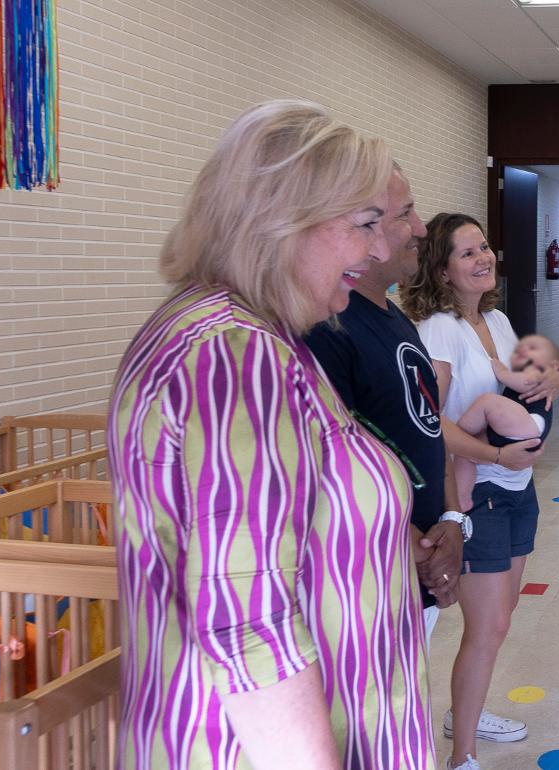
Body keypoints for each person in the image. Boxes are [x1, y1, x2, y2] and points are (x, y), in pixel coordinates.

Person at [107, 101, 435, 769]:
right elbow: (248, 625)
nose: (378, 249)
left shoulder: (234, 334)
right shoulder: (237, 352)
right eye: (363, 225)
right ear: (285, 219)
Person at [402, 213, 559, 770]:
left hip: (516, 487)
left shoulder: (496, 321)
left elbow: (523, 383)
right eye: (467, 252)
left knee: (499, 617)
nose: (483, 258)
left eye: (485, 246)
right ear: (441, 269)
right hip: (477, 492)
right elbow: (427, 424)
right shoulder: (439, 331)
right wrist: (495, 455)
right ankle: (462, 754)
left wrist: (551, 379)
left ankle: (462, 716)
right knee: (489, 624)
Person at [306, 163, 466, 645]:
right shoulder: (328, 327)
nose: (420, 229)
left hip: (419, 559)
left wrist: (453, 521)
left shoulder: (392, 316)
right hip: (369, 575)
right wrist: (415, 547)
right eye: (407, 214)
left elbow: (426, 426)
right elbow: (328, 469)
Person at [451, 334, 559, 511]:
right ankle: (463, 497)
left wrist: (502, 373)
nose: (523, 350)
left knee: (487, 401)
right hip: (519, 429)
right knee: (466, 453)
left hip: (530, 422)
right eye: (520, 348)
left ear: (553, 365)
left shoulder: (539, 373)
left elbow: (525, 383)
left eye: (533, 348)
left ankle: (460, 432)